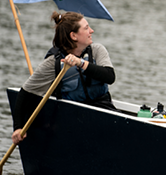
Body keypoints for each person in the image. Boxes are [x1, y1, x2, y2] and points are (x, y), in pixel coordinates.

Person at [11, 11, 116, 145]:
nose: (91, 30)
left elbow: (110, 76)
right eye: (86, 28)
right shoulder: (52, 63)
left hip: (102, 111)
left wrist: (81, 63)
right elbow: (25, 94)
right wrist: (18, 128)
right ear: (73, 36)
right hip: (71, 119)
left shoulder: (97, 50)